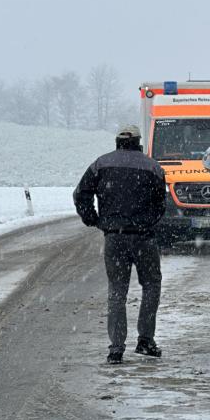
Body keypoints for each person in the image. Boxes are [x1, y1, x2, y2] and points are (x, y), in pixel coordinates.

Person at [74, 125, 167, 364]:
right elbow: (160, 203)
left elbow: (80, 193)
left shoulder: (100, 164)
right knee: (151, 285)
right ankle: (145, 340)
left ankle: (116, 348)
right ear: (137, 142)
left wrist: (93, 219)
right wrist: (149, 222)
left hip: (114, 237)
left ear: (117, 142)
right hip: (144, 238)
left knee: (117, 292)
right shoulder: (152, 166)